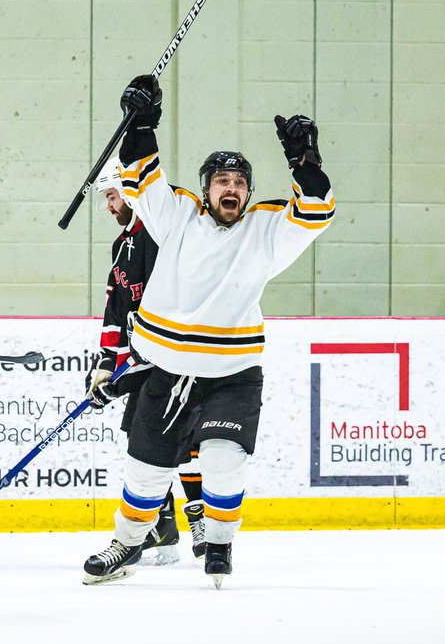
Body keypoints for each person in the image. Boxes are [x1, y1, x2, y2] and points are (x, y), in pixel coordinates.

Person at [82, 75, 334, 588]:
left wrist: (306, 162)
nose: (232, 189)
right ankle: (127, 545)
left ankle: (218, 544)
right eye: (222, 181)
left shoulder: (266, 231)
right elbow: (142, 174)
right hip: (165, 366)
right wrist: (142, 120)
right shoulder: (178, 217)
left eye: (240, 183)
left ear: (249, 193)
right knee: (146, 470)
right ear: (206, 188)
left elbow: (315, 209)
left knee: (222, 461)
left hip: (233, 372)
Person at [86, 162, 205, 565]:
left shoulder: (163, 235)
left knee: (182, 440)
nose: (109, 206)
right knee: (142, 440)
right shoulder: (122, 246)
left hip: (177, 353)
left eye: (112, 196)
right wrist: (106, 363)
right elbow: (115, 310)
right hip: (144, 357)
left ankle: (199, 518)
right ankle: (164, 525)